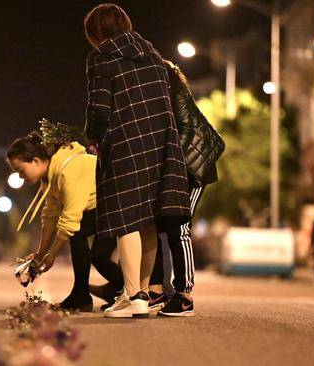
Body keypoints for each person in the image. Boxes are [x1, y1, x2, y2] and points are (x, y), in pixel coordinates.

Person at [84, 4, 191, 318]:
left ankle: (133, 296)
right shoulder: (154, 56)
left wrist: (91, 136)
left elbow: (100, 107)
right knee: (148, 220)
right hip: (161, 142)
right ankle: (142, 294)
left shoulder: (102, 58)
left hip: (125, 141)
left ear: (96, 32)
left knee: (124, 217)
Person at [7, 122, 124, 312]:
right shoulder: (49, 177)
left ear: (36, 161)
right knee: (90, 248)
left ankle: (113, 292)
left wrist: (51, 255)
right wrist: (39, 255)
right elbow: (50, 216)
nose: (21, 177)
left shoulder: (66, 171)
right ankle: (106, 292)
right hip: (100, 206)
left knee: (93, 250)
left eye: (21, 170)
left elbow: (71, 217)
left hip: (116, 201)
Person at [147, 61, 225, 316]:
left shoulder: (177, 97)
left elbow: (186, 132)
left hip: (193, 171)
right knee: (159, 226)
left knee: (179, 226)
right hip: (176, 168)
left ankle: (184, 295)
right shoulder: (162, 100)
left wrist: (165, 161)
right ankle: (157, 289)